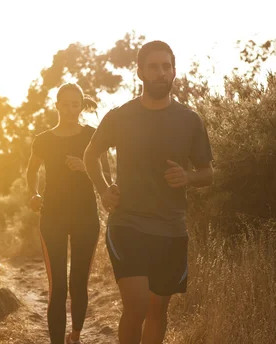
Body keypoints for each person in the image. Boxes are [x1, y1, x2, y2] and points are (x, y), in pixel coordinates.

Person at [84, 40, 214, 344]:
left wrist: (187, 177)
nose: (161, 73)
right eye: (153, 67)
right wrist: (103, 190)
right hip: (127, 223)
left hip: (170, 228)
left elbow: (208, 173)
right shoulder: (120, 116)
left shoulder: (190, 120)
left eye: (166, 67)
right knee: (138, 304)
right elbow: (91, 155)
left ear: (174, 72)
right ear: (140, 72)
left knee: (158, 309)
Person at [26, 83, 111, 344]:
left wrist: (86, 168)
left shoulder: (93, 136)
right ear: (57, 105)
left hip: (85, 217)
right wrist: (33, 194)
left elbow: (107, 177)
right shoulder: (43, 140)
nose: (71, 109)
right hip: (52, 217)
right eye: (66, 104)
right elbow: (31, 172)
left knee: (78, 284)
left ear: (81, 106)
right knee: (58, 287)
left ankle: (75, 335)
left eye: (76, 104)